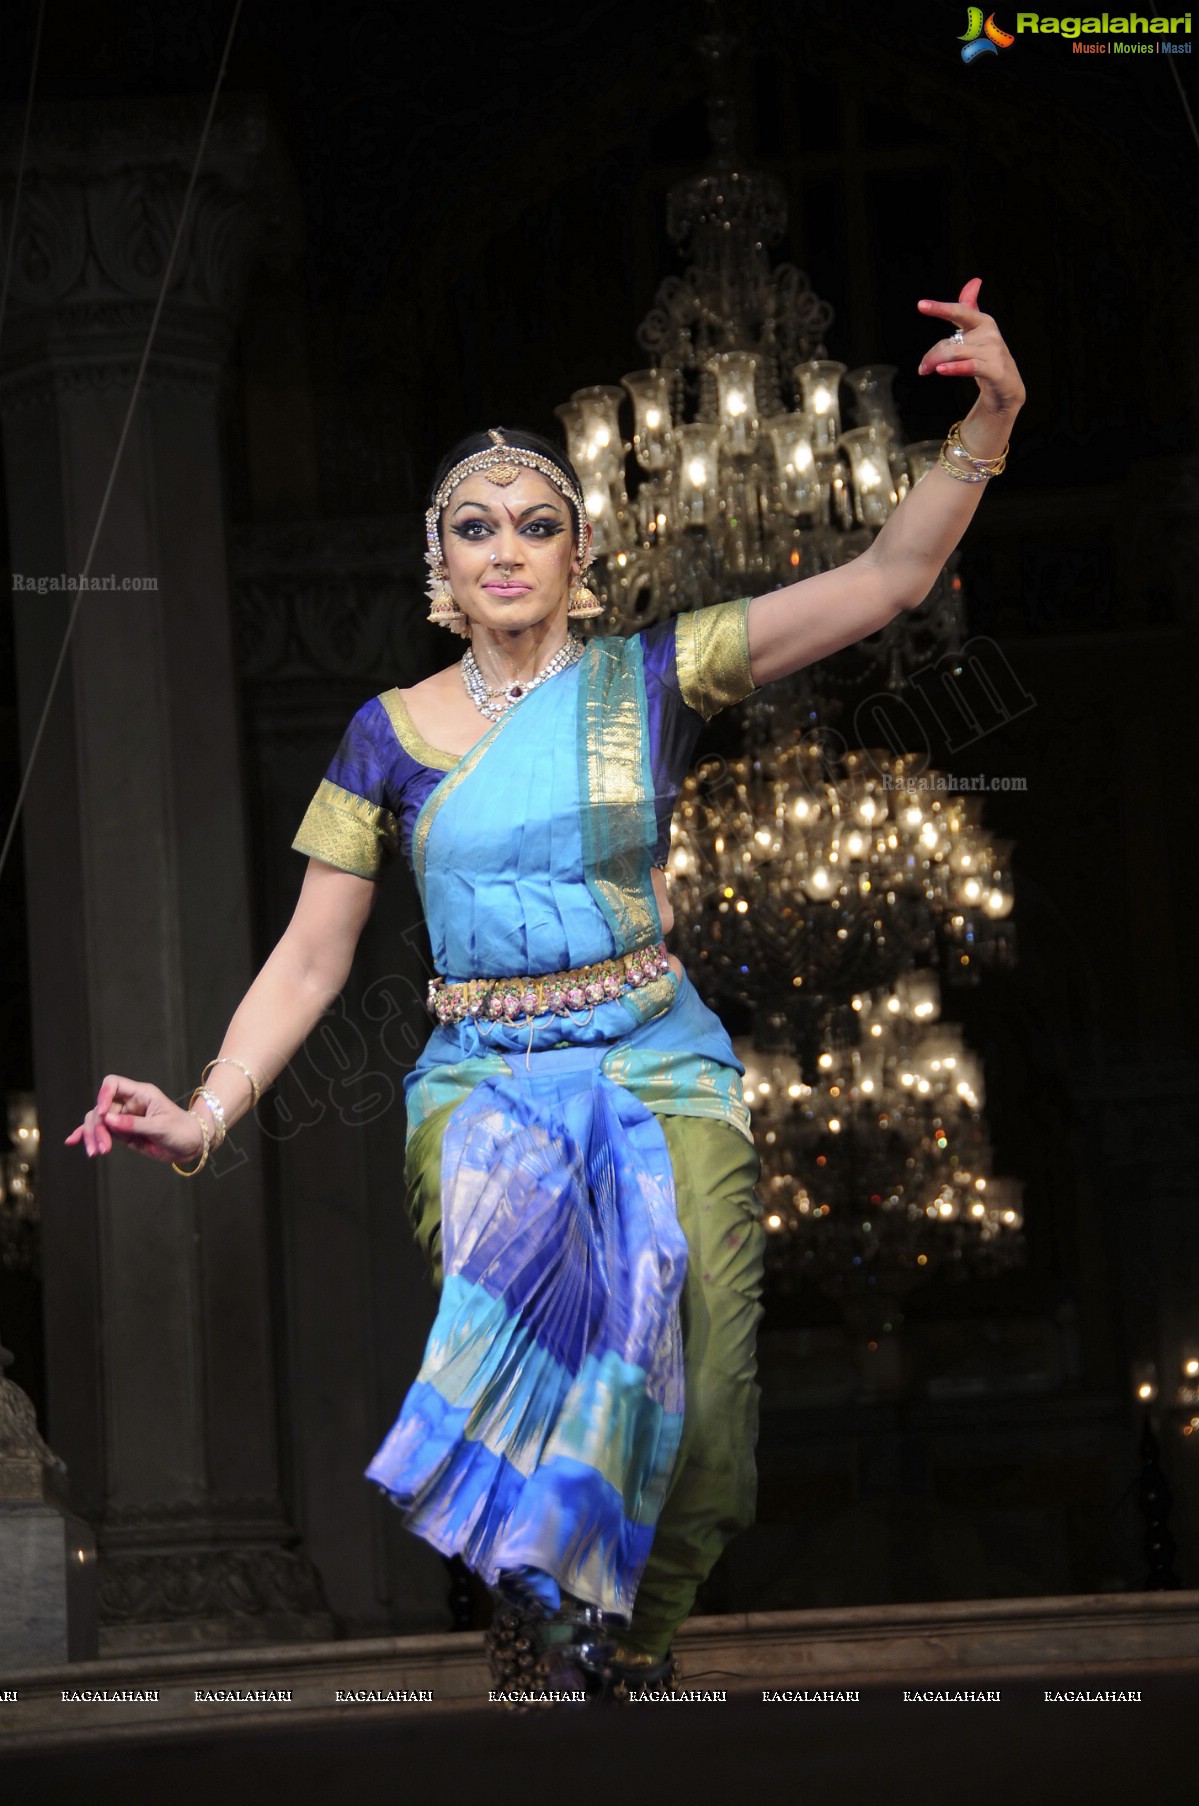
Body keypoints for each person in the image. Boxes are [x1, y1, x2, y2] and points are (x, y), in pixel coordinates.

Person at [68, 279, 1024, 1697]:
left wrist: (992, 417)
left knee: (705, 1414)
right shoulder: (384, 735)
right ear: (438, 565)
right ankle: (537, 1595)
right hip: (488, 1089)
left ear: (585, 553)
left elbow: (887, 579)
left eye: (537, 523)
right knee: (555, 1332)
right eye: (475, 525)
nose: (506, 549)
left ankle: (627, 1637)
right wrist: (208, 1115)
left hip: (660, 1061)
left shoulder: (655, 672)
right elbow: (315, 954)